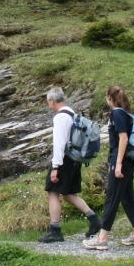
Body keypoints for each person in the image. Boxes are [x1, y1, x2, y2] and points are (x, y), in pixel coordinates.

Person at [83, 85, 134, 250]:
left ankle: (102, 238)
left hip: (121, 163)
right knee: (127, 197)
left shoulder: (117, 113)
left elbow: (123, 139)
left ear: (109, 98)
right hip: (129, 163)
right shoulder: (127, 114)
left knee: (112, 198)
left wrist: (117, 164)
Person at [39, 87, 101, 243]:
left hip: (64, 160)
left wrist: (55, 167)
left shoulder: (60, 118)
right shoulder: (72, 114)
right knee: (68, 194)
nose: (49, 104)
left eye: (48, 102)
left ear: (52, 101)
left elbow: (59, 144)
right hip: (75, 159)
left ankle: (55, 231)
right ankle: (94, 220)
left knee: (53, 192)